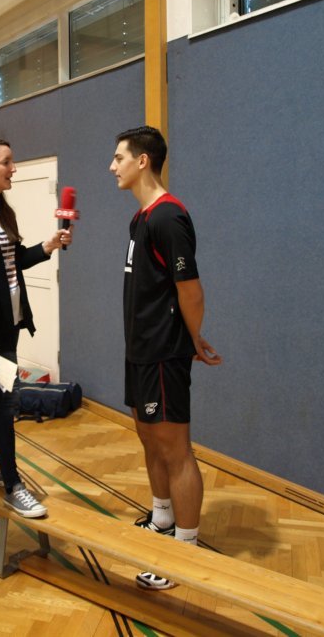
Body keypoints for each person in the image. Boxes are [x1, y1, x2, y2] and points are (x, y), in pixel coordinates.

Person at [109, 126, 222, 591]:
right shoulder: (140, 219)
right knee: (149, 440)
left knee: (176, 450)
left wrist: (193, 338)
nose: (112, 166)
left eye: (119, 158)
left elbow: (190, 291)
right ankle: (161, 520)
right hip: (139, 352)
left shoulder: (169, 217)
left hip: (163, 353)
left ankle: (185, 550)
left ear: (143, 161)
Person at [0, 137, 73, 519]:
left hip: (11, 319)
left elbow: (15, 259)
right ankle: (13, 486)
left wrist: (49, 245)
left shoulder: (1, 210)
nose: (13, 169)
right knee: (5, 402)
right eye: (6, 162)